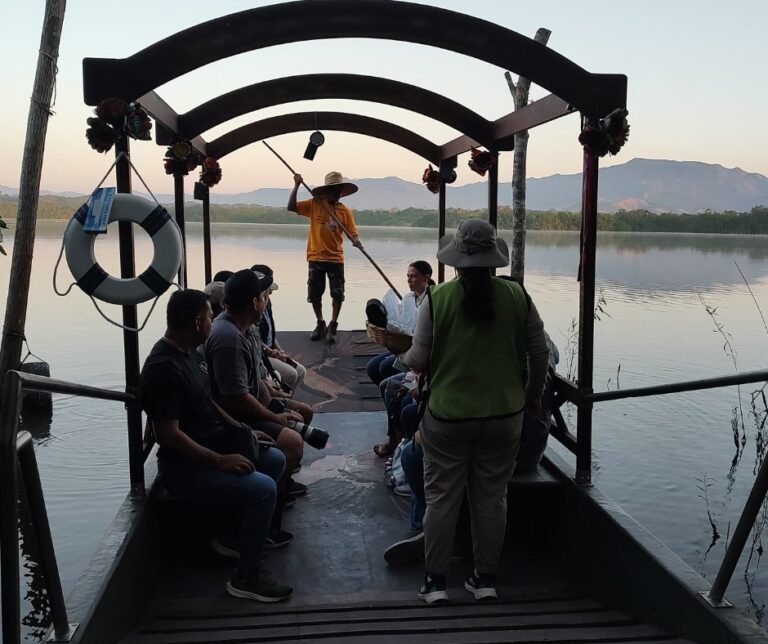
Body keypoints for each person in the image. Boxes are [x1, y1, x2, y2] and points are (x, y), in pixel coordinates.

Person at [400, 219, 550, 604]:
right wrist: (533, 396)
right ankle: (484, 579)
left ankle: (435, 583)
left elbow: (418, 358)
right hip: (504, 417)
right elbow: (539, 352)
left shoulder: (438, 299)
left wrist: (399, 354)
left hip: (447, 419)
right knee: (491, 498)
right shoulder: (518, 296)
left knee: (441, 499)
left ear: (458, 262)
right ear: (493, 261)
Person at [140, 288, 292, 602]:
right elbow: (168, 435)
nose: (213, 322)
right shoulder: (162, 369)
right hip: (186, 468)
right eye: (210, 317)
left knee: (275, 459)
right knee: (262, 488)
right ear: (198, 322)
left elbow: (207, 401)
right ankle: (247, 576)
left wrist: (244, 430)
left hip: (212, 448)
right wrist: (219, 461)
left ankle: (238, 536)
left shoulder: (189, 355)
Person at [203, 269, 306, 546]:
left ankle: (275, 503)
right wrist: (275, 417)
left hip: (248, 409)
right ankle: (266, 520)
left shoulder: (245, 330)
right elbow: (236, 398)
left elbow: (256, 382)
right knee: (292, 443)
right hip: (232, 418)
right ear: (253, 303)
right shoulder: (228, 337)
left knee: (301, 418)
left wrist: (278, 402)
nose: (266, 301)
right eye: (263, 297)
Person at [288, 171, 363, 344]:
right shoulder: (315, 204)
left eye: (339, 191)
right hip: (315, 257)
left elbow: (353, 233)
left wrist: (357, 241)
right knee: (315, 294)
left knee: (337, 294)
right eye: (333, 190)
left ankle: (333, 324)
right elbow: (291, 207)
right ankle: (320, 322)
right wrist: (297, 185)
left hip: (336, 259)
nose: (336, 194)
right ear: (326, 191)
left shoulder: (345, 211)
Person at [251, 263, 307, 396]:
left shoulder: (267, 303)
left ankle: (288, 400)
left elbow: (271, 332)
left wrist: (280, 351)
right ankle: (281, 401)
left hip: (270, 350)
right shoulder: (253, 307)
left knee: (301, 370)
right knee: (291, 374)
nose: (269, 292)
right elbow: (254, 337)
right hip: (262, 353)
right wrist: (271, 352)